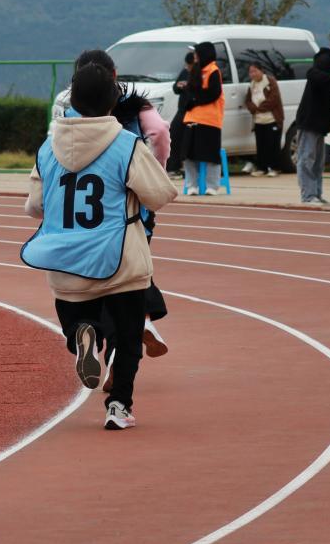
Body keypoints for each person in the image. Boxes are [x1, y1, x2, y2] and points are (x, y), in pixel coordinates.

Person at [21, 63, 177, 430]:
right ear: (112, 101)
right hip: (119, 258)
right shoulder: (125, 145)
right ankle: (118, 405)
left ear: (72, 100)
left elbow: (34, 207)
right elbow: (159, 195)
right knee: (128, 336)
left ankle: (82, 333)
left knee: (78, 314)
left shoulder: (48, 148)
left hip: (64, 262)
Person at [296, 31, 330, 206]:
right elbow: (312, 74)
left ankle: (316, 194)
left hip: (320, 121)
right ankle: (308, 196)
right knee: (307, 158)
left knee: (318, 162)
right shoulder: (325, 58)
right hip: (310, 118)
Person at [180, 42, 225, 195]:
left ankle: (212, 186)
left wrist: (195, 100)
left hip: (210, 120)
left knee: (211, 155)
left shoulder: (213, 70)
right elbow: (189, 91)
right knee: (188, 154)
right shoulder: (195, 70)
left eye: (196, 53)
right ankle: (192, 185)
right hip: (192, 118)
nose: (194, 56)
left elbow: (214, 93)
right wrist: (189, 100)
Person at [244, 63, 284, 176]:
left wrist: (259, 109)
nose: (253, 74)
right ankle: (262, 168)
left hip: (272, 119)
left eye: (255, 71)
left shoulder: (270, 81)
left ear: (261, 71)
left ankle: (275, 168)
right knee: (261, 145)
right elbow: (248, 100)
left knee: (273, 144)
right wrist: (253, 108)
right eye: (250, 72)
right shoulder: (252, 85)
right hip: (258, 120)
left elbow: (274, 99)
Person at [166, 50, 195, 175]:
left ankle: (185, 166)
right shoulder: (185, 72)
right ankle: (173, 167)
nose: (187, 67)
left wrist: (188, 86)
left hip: (194, 111)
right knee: (173, 134)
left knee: (188, 139)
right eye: (186, 65)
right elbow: (175, 88)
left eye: (189, 65)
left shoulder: (201, 73)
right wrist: (179, 86)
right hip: (182, 110)